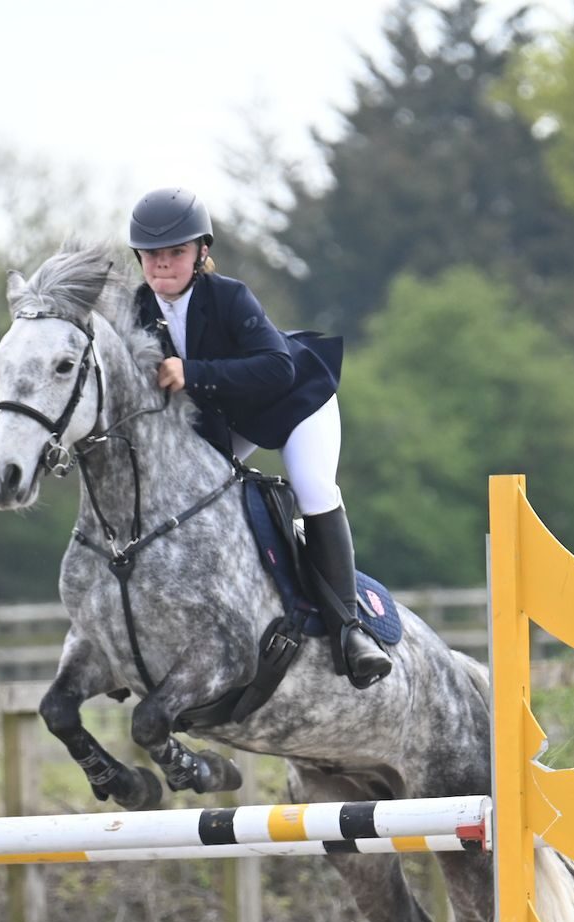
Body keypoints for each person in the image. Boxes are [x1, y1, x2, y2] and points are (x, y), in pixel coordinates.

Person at [127, 187, 391, 689]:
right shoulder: (137, 309)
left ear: (201, 252)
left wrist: (192, 372)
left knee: (312, 489)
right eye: (152, 255)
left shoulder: (228, 296)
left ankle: (350, 631)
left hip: (295, 401)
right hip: (232, 415)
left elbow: (276, 367)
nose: (162, 265)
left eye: (175, 253)